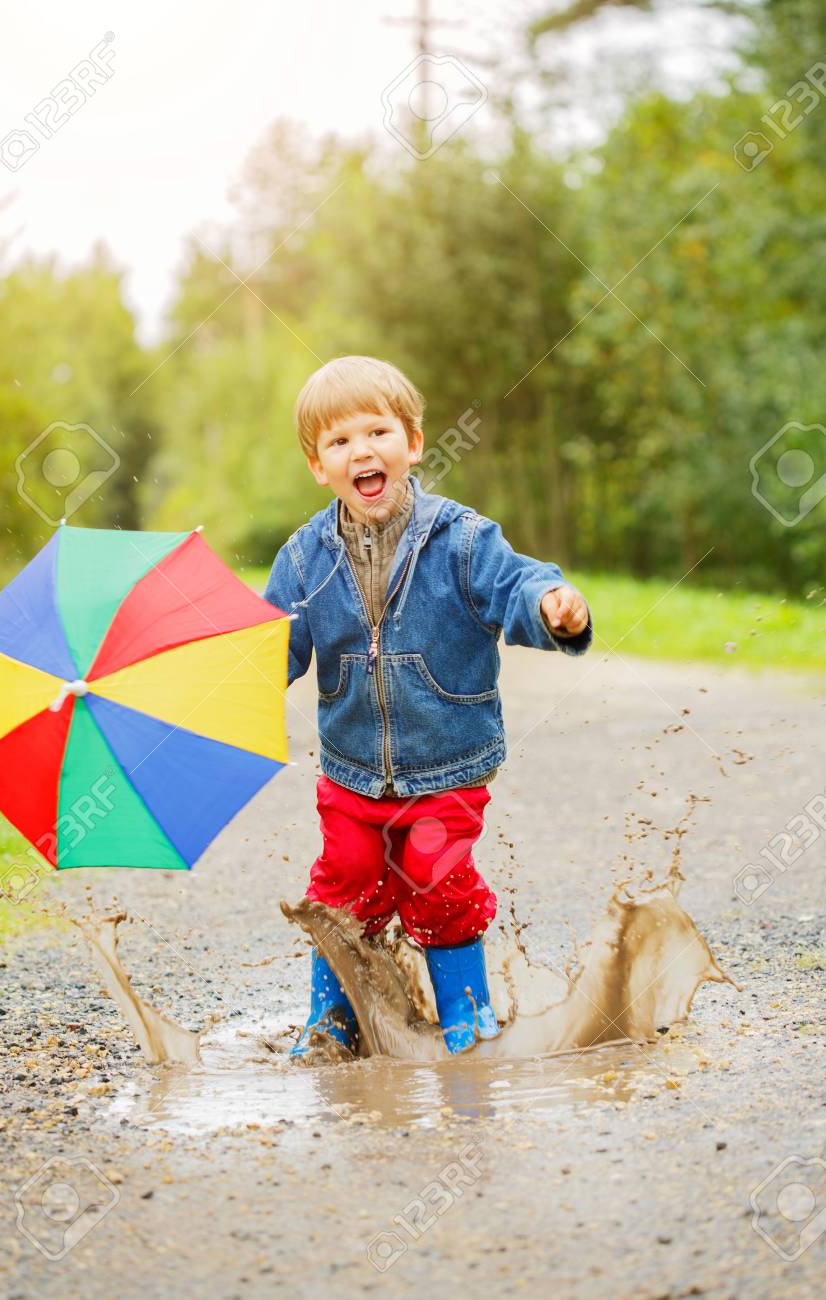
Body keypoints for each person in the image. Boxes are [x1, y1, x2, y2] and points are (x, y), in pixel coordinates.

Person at [264, 356, 592, 1057]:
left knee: (437, 879)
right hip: (351, 770)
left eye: (377, 431)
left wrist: (551, 605)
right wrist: (226, 675)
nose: (362, 451)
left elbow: (518, 584)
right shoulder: (301, 559)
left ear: (413, 443)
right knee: (344, 883)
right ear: (317, 466)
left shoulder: (462, 540)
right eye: (340, 442)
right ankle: (335, 1017)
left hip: (448, 765)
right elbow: (272, 647)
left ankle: (466, 1013)